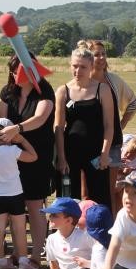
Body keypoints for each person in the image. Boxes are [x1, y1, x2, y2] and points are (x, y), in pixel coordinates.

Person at [0, 55, 57, 269]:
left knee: (34, 205)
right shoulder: (7, 92)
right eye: (14, 71)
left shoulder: (45, 90)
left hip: (38, 155)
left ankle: (35, 255)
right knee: (15, 206)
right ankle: (18, 252)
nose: (17, 75)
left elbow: (41, 118)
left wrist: (18, 129)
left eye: (21, 71)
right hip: (13, 155)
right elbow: (2, 122)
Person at [81, 39, 136, 211]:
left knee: (109, 191)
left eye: (103, 54)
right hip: (88, 144)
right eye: (96, 54)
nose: (100, 58)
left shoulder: (113, 80)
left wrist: (120, 125)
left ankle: (111, 232)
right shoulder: (83, 81)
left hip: (112, 143)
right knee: (86, 192)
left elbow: (133, 103)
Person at [55, 47, 116, 207]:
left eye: (83, 67)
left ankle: (101, 231)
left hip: (96, 153)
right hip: (70, 153)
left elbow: (109, 125)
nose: (78, 70)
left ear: (91, 67)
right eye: (75, 66)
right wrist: (61, 158)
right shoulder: (63, 91)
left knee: (100, 199)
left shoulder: (102, 90)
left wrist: (105, 153)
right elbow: (59, 128)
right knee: (68, 200)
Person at [0, 117, 38, 269]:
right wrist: (22, 140)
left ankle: (1, 261)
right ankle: (24, 261)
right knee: (19, 229)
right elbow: (33, 156)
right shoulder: (13, 150)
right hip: (15, 194)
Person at [40, 196, 94, 269]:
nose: (50, 217)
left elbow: (100, 256)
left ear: (68, 220)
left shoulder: (84, 236)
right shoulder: (51, 239)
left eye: (54, 215)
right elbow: (54, 265)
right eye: (50, 214)